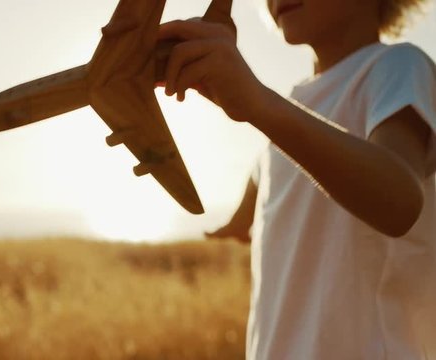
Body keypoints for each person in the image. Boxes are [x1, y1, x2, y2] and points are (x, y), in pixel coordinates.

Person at [158, 0, 436, 358]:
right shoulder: (292, 106)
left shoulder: (396, 66)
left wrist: (257, 103)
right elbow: (267, 176)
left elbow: (400, 200)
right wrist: (234, 223)